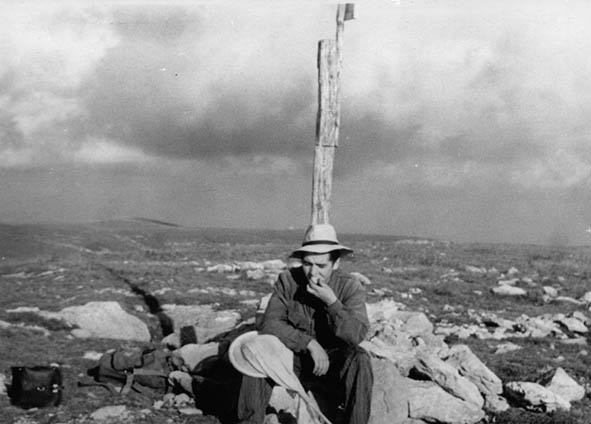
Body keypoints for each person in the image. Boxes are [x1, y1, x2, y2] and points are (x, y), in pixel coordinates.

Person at [235, 223, 373, 424]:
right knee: (258, 350)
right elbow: (270, 324)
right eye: (308, 264)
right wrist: (309, 343)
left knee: (360, 359)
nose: (312, 272)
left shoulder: (349, 286)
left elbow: (356, 335)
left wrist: (332, 303)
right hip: (294, 358)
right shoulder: (288, 280)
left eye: (321, 265)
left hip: (332, 363)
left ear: (335, 263)